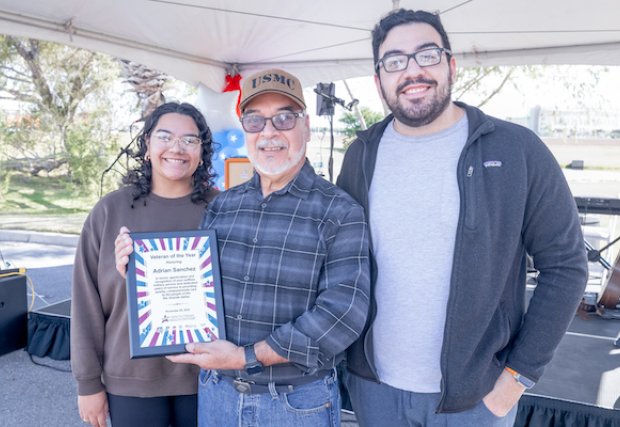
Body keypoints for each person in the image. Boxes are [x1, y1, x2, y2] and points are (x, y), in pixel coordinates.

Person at [336, 9, 588, 427]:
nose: (412, 71)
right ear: (378, 78)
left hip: (476, 401)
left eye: (427, 55)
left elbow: (565, 266)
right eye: (395, 61)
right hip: (374, 391)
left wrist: (515, 379)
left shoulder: (516, 149)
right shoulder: (361, 153)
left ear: (452, 65)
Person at [115, 68, 371, 427]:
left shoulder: (340, 211)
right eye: (254, 121)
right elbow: (195, 289)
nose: (269, 132)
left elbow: (342, 315)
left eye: (284, 118)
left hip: (295, 404)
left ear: (307, 127)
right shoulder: (222, 206)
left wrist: (245, 357)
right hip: (216, 396)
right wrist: (143, 273)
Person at [71, 102, 219, 427]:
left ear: (202, 151)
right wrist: (88, 384)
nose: (176, 148)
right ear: (148, 145)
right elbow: (86, 304)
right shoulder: (110, 211)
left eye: (190, 140)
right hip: (130, 379)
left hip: (208, 378)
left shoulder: (221, 209)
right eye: (164, 136)